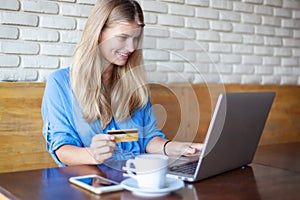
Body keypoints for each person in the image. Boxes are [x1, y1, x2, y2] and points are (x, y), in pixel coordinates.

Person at [42, 0, 202, 167]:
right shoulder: (60, 84)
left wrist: (180, 148)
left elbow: (147, 139)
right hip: (89, 182)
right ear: (99, 33)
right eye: (123, 37)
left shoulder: (135, 85)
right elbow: (62, 149)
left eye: (136, 38)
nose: (132, 47)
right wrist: (92, 155)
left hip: (134, 178)